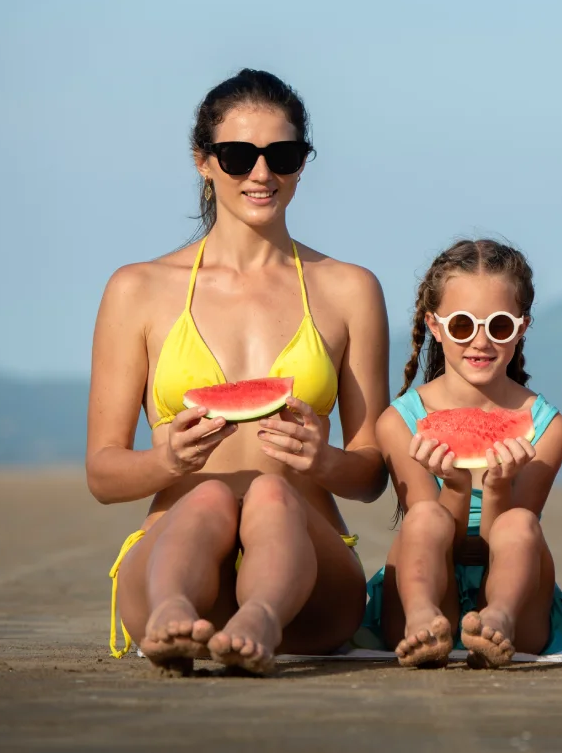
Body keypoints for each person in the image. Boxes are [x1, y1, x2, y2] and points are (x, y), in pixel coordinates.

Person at [87, 68, 390, 675]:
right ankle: (173, 614)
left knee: (273, 494)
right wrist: (165, 461)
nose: (261, 174)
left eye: (281, 155)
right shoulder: (137, 289)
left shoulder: (349, 289)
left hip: (310, 580)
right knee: (203, 500)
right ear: (203, 161)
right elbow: (102, 473)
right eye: (237, 156)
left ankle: (260, 618)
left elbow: (371, 474)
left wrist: (324, 461)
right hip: (172, 553)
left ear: (303, 163)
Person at [360, 239, 562, 668]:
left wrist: (496, 489)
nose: (480, 342)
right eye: (462, 326)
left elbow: (496, 545)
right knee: (424, 517)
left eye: (498, 326)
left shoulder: (548, 428)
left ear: (522, 326)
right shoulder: (399, 422)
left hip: (517, 598)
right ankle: (422, 618)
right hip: (427, 580)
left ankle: (498, 618)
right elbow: (436, 534)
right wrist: (457, 486)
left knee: (519, 522)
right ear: (435, 326)